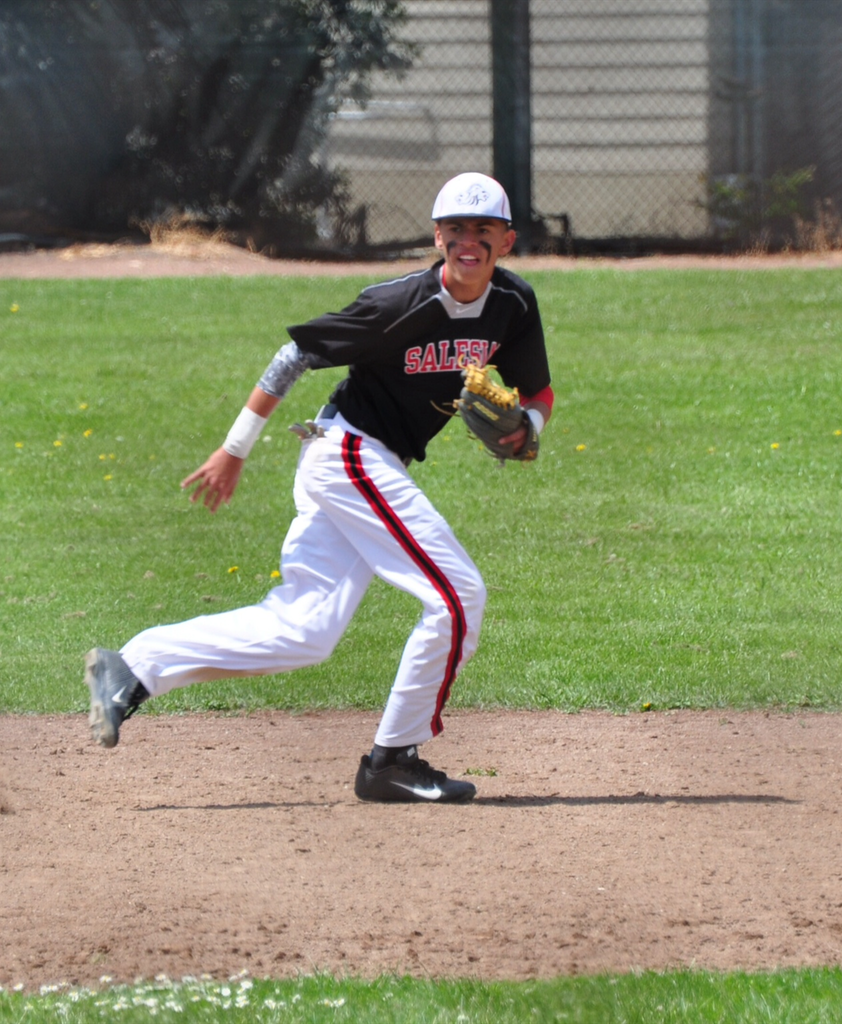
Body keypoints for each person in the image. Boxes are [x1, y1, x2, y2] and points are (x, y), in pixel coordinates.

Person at [84, 172, 554, 803]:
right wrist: (234, 448)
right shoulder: (399, 304)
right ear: (437, 236)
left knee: (306, 630)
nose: (470, 242)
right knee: (457, 596)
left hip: (365, 464)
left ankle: (133, 668)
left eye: (484, 230)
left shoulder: (513, 305)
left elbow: (537, 391)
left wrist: (530, 429)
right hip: (350, 454)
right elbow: (294, 356)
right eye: (457, 230)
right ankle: (393, 757)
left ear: (507, 240)